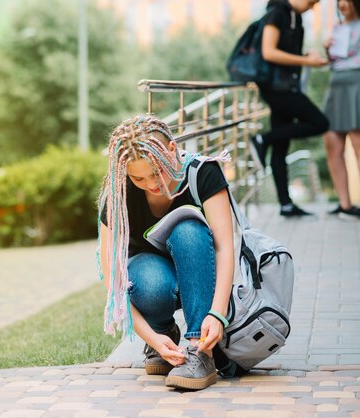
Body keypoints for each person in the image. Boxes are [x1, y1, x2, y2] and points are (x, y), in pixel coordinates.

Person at [97, 114, 234, 391]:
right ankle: (164, 334)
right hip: (155, 281)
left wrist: (217, 314)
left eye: (156, 172)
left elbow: (225, 248)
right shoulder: (118, 191)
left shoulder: (203, 172)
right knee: (147, 277)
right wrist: (152, 338)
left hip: (203, 276)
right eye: (138, 178)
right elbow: (115, 286)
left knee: (187, 229)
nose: (150, 184)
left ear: (172, 150)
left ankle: (200, 352)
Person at [249, 0, 330, 217]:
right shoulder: (277, 12)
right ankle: (262, 139)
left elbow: (285, 53)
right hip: (276, 88)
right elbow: (269, 52)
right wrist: (306, 62)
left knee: (281, 145)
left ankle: (285, 204)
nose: (312, 7)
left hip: (286, 86)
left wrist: (306, 57)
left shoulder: (296, 17)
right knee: (320, 123)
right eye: (311, 2)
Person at [322, 0, 360, 220]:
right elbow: (333, 60)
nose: (343, 4)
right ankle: (345, 205)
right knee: (332, 142)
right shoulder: (336, 26)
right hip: (336, 83)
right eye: (340, 0)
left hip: (356, 82)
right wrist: (327, 49)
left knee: (357, 143)